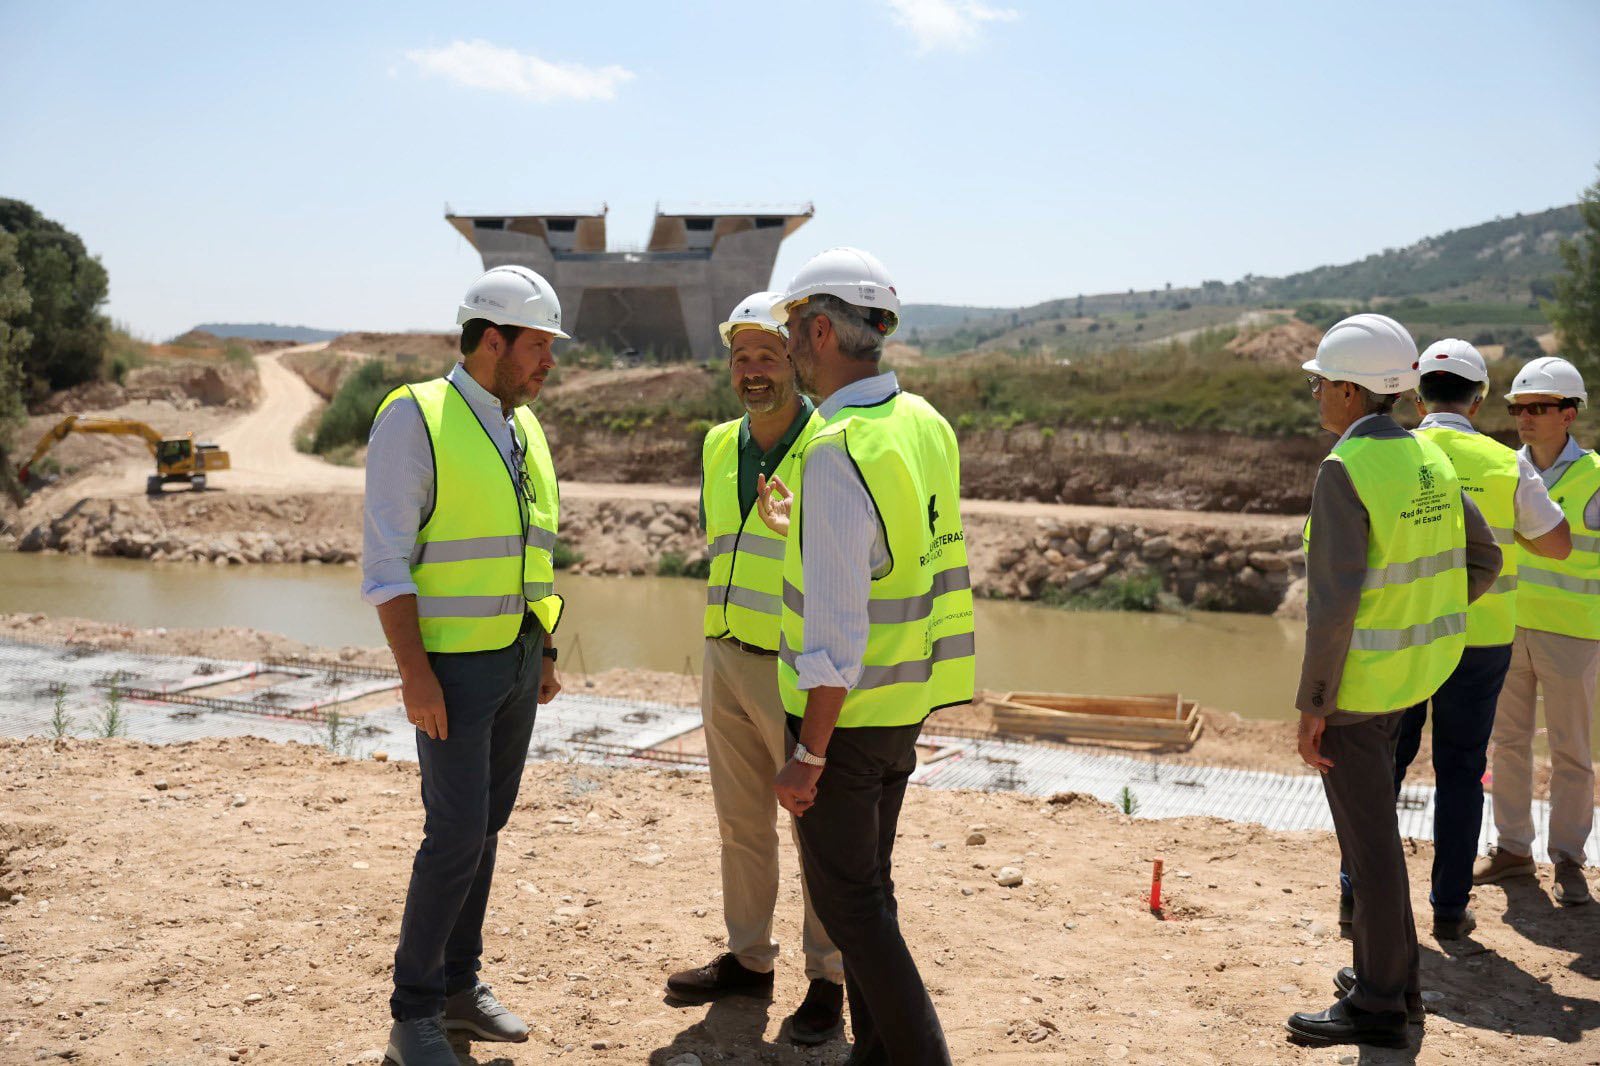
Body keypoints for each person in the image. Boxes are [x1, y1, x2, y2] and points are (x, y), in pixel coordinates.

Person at [757, 247, 974, 1065]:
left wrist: (808, 753)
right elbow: (905, 556)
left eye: (792, 330)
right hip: (903, 708)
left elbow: (837, 629)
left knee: (852, 909)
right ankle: (875, 1054)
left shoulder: (835, 450)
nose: (788, 347)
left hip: (842, 726)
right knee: (870, 895)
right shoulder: (924, 424)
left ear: (821, 330)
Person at [362, 265, 567, 1066]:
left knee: (485, 828)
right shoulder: (414, 416)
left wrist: (544, 649)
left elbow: (535, 551)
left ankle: (458, 987)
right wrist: (414, 674)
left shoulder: (525, 427)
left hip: (516, 659)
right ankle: (412, 1015)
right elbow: (387, 561)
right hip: (450, 670)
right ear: (491, 342)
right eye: (538, 346)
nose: (548, 362)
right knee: (453, 835)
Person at [1287, 314, 1500, 1049]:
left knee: (1370, 849)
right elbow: (1485, 559)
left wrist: (1313, 707)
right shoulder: (1428, 456)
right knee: (1376, 841)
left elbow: (1333, 607)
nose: (1318, 394)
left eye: (1321, 383)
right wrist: (1425, 618)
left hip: (1359, 691)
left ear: (1350, 390)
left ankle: (1379, 1006)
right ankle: (1395, 979)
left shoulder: (1345, 469)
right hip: (1415, 675)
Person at [1334, 339, 1569, 940]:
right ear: (1480, 400)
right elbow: (1557, 543)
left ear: (1417, 399)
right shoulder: (1504, 463)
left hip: (1404, 638)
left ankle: (1357, 899)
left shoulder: (1398, 457)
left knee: (1385, 766)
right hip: (1482, 641)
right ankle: (1447, 909)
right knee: (1462, 771)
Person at [664, 292, 846, 1045]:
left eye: (768, 354)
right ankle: (748, 959)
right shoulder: (717, 445)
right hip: (725, 655)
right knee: (740, 824)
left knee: (817, 831)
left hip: (796, 669)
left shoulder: (830, 445)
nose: (753, 371)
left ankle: (828, 979)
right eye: (741, 357)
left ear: (796, 359)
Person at [1476, 355, 1599, 907]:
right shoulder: (1504, 471)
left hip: (1573, 634)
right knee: (1507, 744)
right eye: (1518, 408)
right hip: (1507, 626)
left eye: (1538, 407)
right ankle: (1512, 850)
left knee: (1572, 750)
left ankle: (1568, 859)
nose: (1524, 417)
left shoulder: (1596, 476)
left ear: (1569, 414)